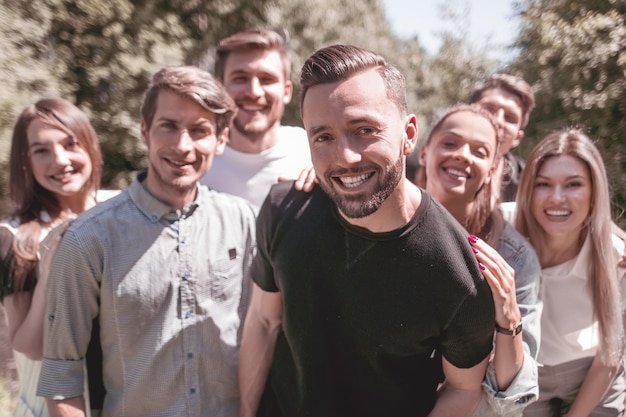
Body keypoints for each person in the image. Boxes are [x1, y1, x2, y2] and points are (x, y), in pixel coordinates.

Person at [238, 44, 496, 417]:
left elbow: (462, 388)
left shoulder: (460, 272)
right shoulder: (284, 210)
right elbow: (263, 322)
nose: (346, 157)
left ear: (409, 134)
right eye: (323, 137)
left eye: (364, 130)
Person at [36, 66, 258, 417]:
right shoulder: (89, 238)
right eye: (168, 126)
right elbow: (61, 379)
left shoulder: (245, 223)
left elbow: (262, 335)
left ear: (221, 139)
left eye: (199, 130)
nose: (182, 146)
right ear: (145, 130)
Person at [417, 103, 542, 416]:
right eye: (450, 143)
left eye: (480, 151)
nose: (463, 154)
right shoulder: (383, 220)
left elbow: (510, 395)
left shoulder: (513, 256)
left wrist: (509, 319)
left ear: (491, 171)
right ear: (423, 152)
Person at [0, 97, 115, 416]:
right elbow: (29, 346)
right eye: (41, 151)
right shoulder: (14, 236)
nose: (60, 160)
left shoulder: (121, 212)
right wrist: (49, 278)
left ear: (91, 146)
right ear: (25, 162)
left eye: (70, 144)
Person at [512, 128, 626, 416]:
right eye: (543, 184)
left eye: (573, 184)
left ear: (593, 192)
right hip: (526, 373)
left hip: (592, 372)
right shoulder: (504, 230)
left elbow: (609, 359)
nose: (557, 198)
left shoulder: (614, 256)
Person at [199, 29, 312, 207]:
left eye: (267, 79)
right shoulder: (198, 164)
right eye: (240, 78)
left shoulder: (313, 152)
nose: (254, 92)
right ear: (220, 88)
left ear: (287, 91)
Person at [407, 73, 535, 203]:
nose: (498, 121)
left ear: (517, 138)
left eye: (510, 118)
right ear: (469, 111)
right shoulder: (407, 168)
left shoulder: (530, 182)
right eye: (489, 109)